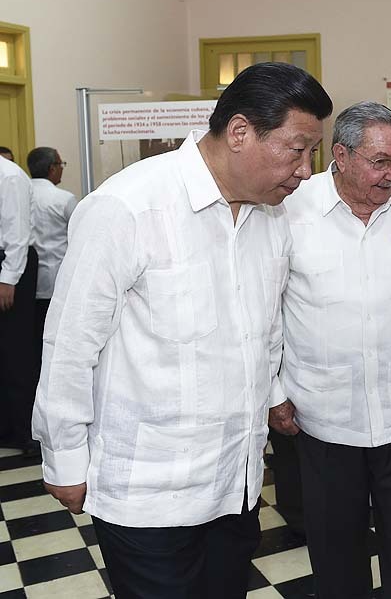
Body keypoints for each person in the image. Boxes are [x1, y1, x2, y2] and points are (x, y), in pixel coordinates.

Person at [31, 62, 332, 599]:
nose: (306, 171)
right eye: (297, 150)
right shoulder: (128, 207)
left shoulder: (270, 220)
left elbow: (263, 336)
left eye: (313, 152)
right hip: (149, 494)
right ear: (239, 132)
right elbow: (69, 346)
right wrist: (65, 458)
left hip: (235, 487)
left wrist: (274, 398)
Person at [281, 101, 391, 599]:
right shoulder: (291, 208)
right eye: (381, 162)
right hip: (323, 416)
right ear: (340, 156)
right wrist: (273, 391)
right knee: (336, 550)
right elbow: (264, 310)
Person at [26, 147, 77, 382]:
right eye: (60, 164)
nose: (61, 169)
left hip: (25, 280)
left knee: (31, 338)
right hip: (58, 278)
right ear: (51, 168)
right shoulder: (64, 199)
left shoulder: (21, 192)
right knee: (56, 337)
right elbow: (79, 234)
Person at [0, 153, 38, 455]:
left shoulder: (9, 175)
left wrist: (8, 279)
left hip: (11, 267)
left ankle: (25, 431)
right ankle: (5, 428)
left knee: (16, 352)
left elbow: (17, 232)